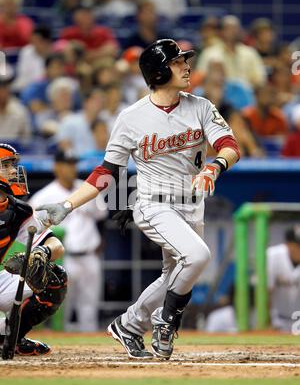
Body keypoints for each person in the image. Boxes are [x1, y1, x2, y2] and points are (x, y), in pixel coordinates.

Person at [36, 38, 240, 360]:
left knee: (174, 272)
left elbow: (230, 145)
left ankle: (129, 325)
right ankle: (165, 320)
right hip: (153, 203)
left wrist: (215, 167)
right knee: (198, 256)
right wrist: (67, 205)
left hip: (191, 202)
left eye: (185, 61)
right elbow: (106, 172)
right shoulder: (131, 118)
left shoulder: (200, 106)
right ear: (159, 72)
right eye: (177, 62)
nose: (186, 66)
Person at [0, 143, 68, 356]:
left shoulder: (18, 210)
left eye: (14, 165)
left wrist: (43, 253)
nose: (14, 171)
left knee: (55, 278)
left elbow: (56, 246)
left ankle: (12, 338)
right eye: (6, 165)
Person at [29, 150, 107, 332]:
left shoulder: (87, 190)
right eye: (66, 164)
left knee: (89, 308)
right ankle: (63, 352)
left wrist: (101, 244)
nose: (71, 168)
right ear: (56, 167)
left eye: (73, 164)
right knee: (62, 308)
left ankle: (90, 355)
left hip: (89, 256)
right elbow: (31, 230)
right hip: (63, 259)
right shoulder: (43, 196)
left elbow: (102, 219)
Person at [267, 226, 300, 332]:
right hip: (279, 320)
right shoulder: (273, 255)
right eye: (298, 245)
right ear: (288, 244)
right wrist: (268, 320)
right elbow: (266, 291)